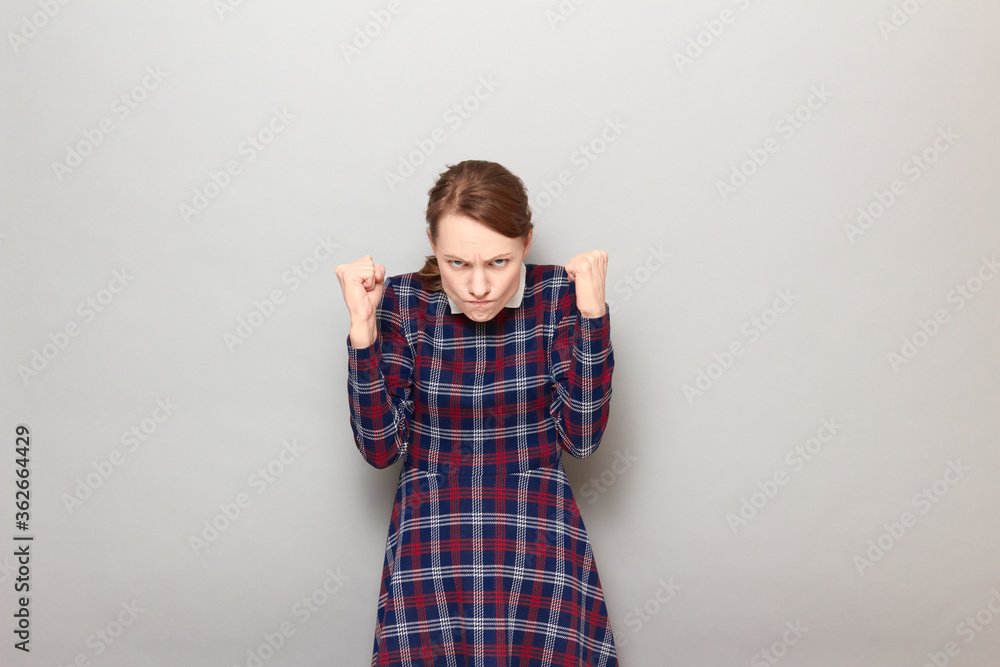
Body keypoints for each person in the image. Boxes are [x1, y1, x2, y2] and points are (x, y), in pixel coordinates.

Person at [335, 159, 618, 666]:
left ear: (526, 243)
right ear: (432, 245)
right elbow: (380, 451)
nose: (479, 287)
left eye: (499, 263)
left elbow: (581, 439)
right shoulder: (401, 302)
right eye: (458, 264)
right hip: (431, 545)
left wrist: (593, 316)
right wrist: (363, 330)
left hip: (540, 541)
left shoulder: (559, 297)